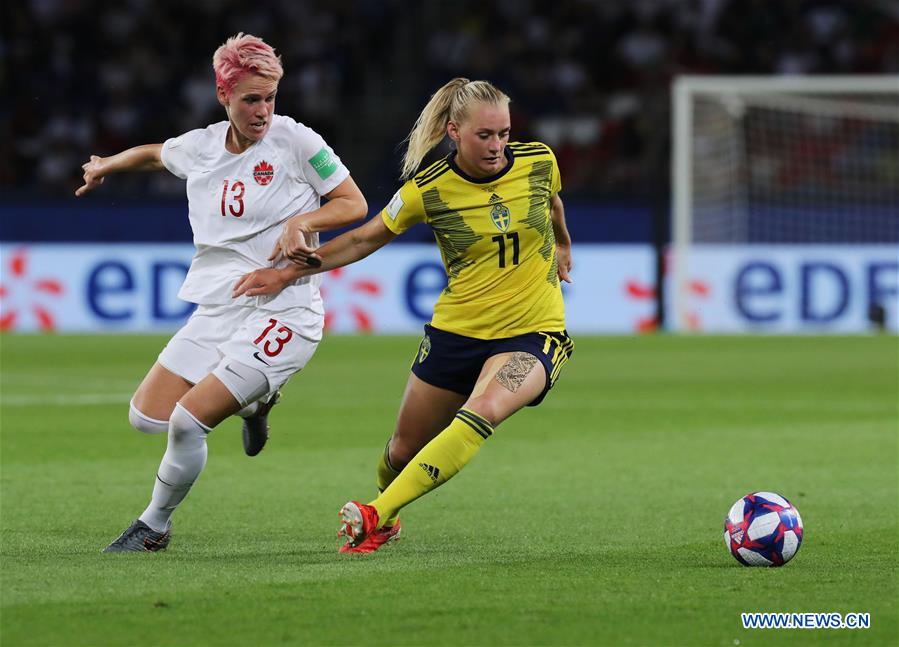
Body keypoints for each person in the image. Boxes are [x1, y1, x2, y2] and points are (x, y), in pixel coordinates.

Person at [233, 77, 574, 554]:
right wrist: (287, 273)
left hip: (533, 335)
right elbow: (363, 238)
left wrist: (561, 242)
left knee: (482, 412)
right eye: (485, 136)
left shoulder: (539, 161)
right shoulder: (428, 190)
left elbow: (553, 201)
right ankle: (386, 509)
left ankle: (376, 514)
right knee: (400, 449)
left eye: (504, 133)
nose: (497, 146)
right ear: (454, 131)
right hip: (457, 333)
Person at [75, 33, 367, 552]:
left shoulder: (298, 142)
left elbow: (352, 203)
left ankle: (153, 528)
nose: (263, 111)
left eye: (271, 97)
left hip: (286, 311)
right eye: (251, 99)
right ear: (223, 96)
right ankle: (258, 405)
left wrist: (303, 219)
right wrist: (106, 165)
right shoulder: (202, 146)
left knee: (188, 423)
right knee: (146, 417)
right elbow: (155, 155)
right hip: (221, 307)